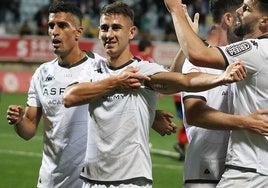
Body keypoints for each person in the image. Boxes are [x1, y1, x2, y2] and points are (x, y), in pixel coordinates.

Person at [62, 1, 246, 188]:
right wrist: (117, 82)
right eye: (104, 28)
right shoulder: (92, 69)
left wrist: (221, 78)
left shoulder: (143, 69)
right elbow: (69, 97)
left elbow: (184, 81)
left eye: (116, 28)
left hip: (131, 181)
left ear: (131, 32)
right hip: (92, 180)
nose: (109, 34)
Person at [6, 1, 177, 187]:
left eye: (62, 25)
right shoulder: (42, 74)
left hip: (89, 179)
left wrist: (150, 117)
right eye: (51, 26)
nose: (55, 31)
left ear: (78, 32)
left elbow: (121, 99)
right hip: (51, 178)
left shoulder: (99, 67)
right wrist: (18, 121)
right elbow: (29, 129)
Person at [164, 0, 268, 187]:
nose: (239, 12)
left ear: (264, 22)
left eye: (246, 9)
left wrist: (175, 11)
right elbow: (191, 107)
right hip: (208, 170)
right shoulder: (238, 58)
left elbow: (197, 54)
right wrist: (246, 122)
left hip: (248, 170)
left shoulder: (254, 50)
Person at [173, 93, 188, 161]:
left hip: (178, 95)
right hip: (186, 95)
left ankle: (182, 150)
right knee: (188, 122)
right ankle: (181, 143)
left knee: (184, 122)